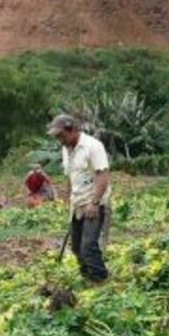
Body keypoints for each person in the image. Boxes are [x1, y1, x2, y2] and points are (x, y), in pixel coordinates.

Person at [48, 114, 111, 282]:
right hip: (77, 204)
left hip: (94, 203)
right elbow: (70, 176)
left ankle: (101, 279)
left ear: (73, 130)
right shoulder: (66, 149)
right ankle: (87, 276)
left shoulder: (93, 146)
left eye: (61, 135)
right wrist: (69, 198)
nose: (59, 140)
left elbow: (102, 176)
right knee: (76, 247)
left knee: (88, 246)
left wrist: (95, 203)